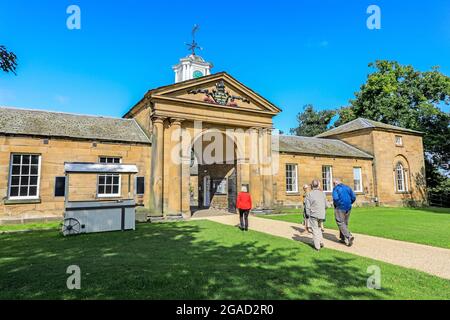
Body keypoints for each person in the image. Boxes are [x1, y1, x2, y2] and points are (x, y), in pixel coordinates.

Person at [304, 180, 328, 251]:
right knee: (319, 228)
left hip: (313, 214)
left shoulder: (309, 194)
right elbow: (326, 205)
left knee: (315, 230)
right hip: (321, 214)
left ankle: (317, 246)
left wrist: (308, 214)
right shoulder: (323, 194)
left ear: (312, 186)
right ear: (318, 185)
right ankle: (320, 242)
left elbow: (307, 206)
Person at [332, 178, 356, 247]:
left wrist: (338, 204)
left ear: (335, 183)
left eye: (333, 183)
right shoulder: (348, 188)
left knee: (340, 222)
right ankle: (343, 238)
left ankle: (348, 236)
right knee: (344, 223)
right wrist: (349, 203)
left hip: (340, 207)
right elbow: (353, 197)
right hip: (348, 207)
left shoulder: (336, 189)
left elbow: (335, 198)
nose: (333, 185)